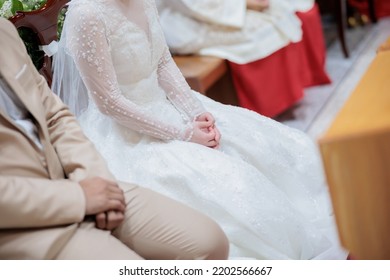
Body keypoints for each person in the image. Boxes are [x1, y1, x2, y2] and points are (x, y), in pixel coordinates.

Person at [52, 0, 348, 259]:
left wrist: (196, 113)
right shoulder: (87, 15)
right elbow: (110, 104)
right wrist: (182, 133)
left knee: (254, 143)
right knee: (212, 180)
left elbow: (163, 64)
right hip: (124, 130)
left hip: (167, 107)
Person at [0, 17, 229, 260]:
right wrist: (80, 198)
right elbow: (109, 101)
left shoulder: (4, 31)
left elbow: (54, 114)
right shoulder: (87, 16)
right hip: (17, 224)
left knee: (210, 242)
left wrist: (92, 177)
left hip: (71, 177)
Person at [156, 0, 330, 117]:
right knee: (261, 29)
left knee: (279, 13)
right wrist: (243, 4)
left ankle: (284, 101)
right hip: (187, 17)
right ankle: (256, 111)